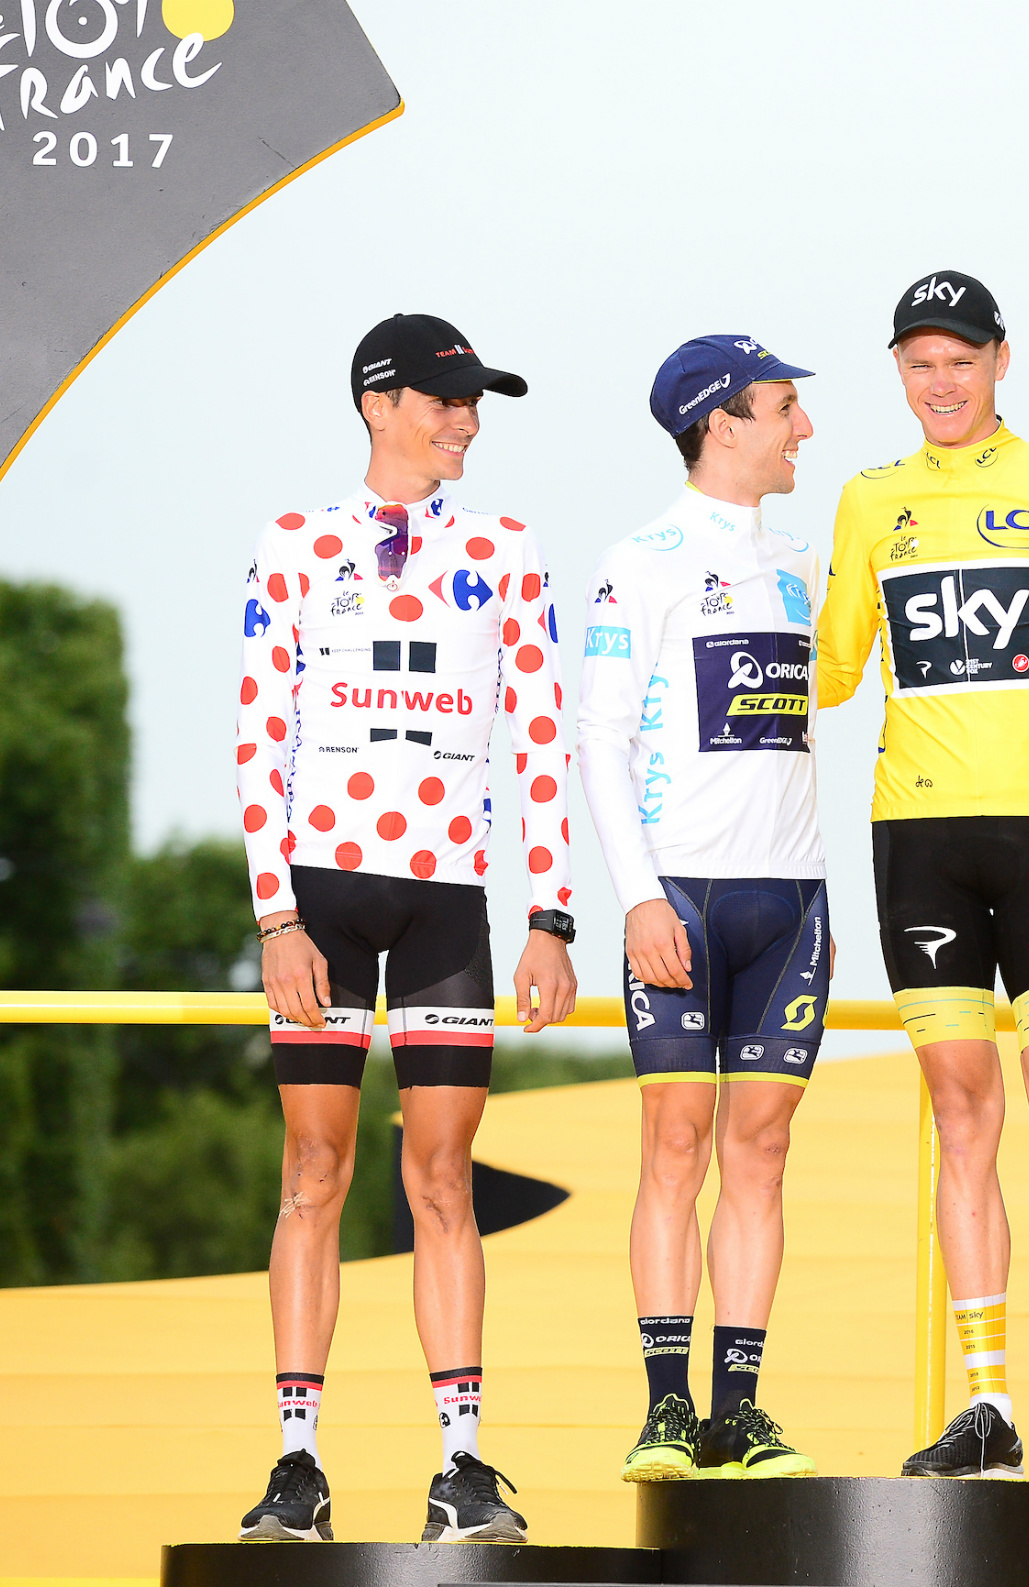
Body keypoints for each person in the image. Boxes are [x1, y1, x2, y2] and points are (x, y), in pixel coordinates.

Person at [233, 313, 578, 1544]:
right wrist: (275, 913)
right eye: (444, 399)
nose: (465, 420)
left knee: (442, 1179)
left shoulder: (506, 546)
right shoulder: (294, 543)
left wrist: (551, 915)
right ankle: (298, 1466)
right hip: (320, 893)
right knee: (314, 1173)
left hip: (446, 898)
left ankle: (462, 1467)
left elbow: (541, 736)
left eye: (475, 400)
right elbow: (259, 734)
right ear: (377, 404)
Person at [815, 271, 1029, 1482]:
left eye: (959, 360)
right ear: (896, 372)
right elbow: (831, 673)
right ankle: (986, 1407)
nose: (940, 383)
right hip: (918, 843)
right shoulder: (869, 499)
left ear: (1000, 361)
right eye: (918, 363)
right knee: (962, 1113)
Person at [575, 335, 828, 1482]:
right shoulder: (640, 562)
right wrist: (637, 899)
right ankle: (665, 1407)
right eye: (783, 408)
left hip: (790, 899)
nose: (803, 428)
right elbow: (600, 740)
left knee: (761, 1151)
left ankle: (740, 1409)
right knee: (674, 1144)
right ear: (721, 422)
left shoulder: (802, 563)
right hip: (676, 890)